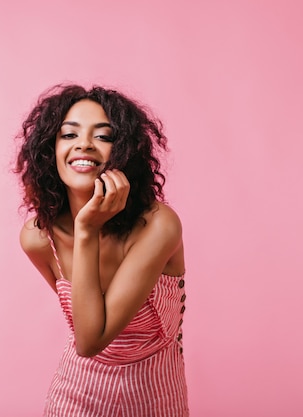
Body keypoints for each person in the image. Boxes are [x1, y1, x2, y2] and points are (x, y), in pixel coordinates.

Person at [15, 84, 189, 416]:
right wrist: (86, 230)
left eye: (104, 136)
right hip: (75, 395)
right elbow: (85, 339)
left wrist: (86, 228)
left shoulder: (158, 226)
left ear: (125, 152)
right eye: (68, 135)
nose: (84, 144)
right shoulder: (37, 239)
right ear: (48, 151)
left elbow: (96, 337)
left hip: (155, 394)